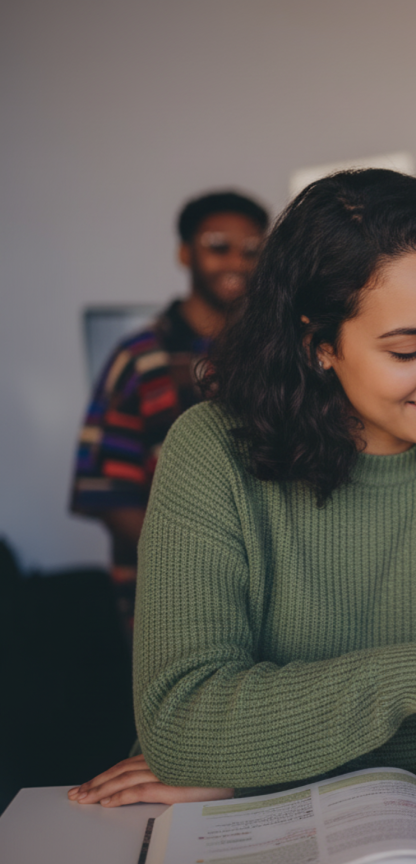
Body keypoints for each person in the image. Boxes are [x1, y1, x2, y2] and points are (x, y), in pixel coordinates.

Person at [68, 169, 416, 807]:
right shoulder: (210, 450)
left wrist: (251, 755)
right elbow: (181, 725)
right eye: (408, 348)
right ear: (319, 346)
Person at [70, 191, 269, 635]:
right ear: (185, 253)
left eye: (252, 249)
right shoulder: (139, 358)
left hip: (268, 596)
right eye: (218, 246)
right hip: (166, 598)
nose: (236, 260)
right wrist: (201, 563)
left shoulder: (273, 359)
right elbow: (109, 495)